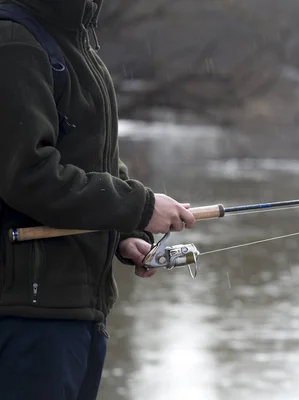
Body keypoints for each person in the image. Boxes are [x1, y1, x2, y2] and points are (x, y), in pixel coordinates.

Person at [0, 0, 197, 398]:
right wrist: (138, 205)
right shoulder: (15, 40)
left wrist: (124, 230)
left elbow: (93, 159)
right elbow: (28, 174)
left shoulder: (76, 38)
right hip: (30, 315)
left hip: (78, 311)